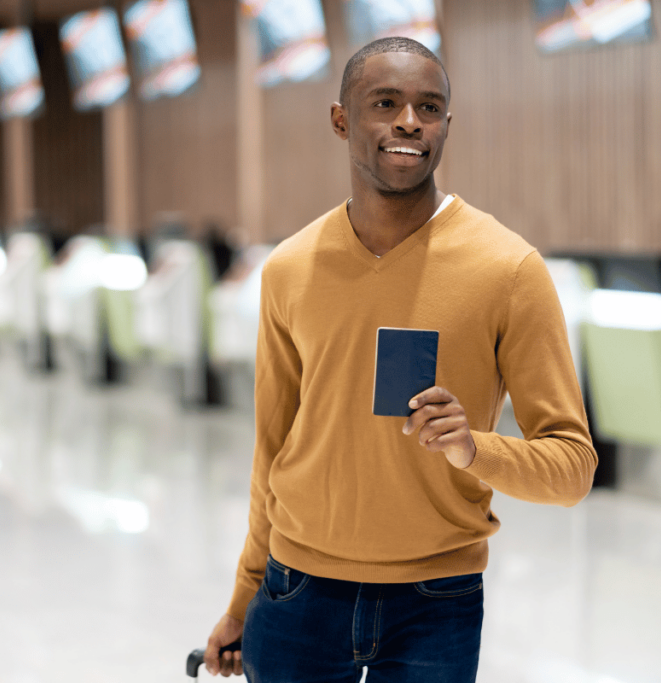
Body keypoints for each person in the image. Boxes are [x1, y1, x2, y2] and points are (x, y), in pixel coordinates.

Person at [203, 37, 597, 683]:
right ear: (341, 120)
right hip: (297, 590)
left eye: (429, 107)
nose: (409, 121)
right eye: (385, 103)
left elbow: (573, 468)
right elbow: (271, 452)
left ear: (447, 125)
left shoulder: (508, 269)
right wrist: (245, 595)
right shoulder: (290, 270)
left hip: (436, 601)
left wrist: (475, 447)